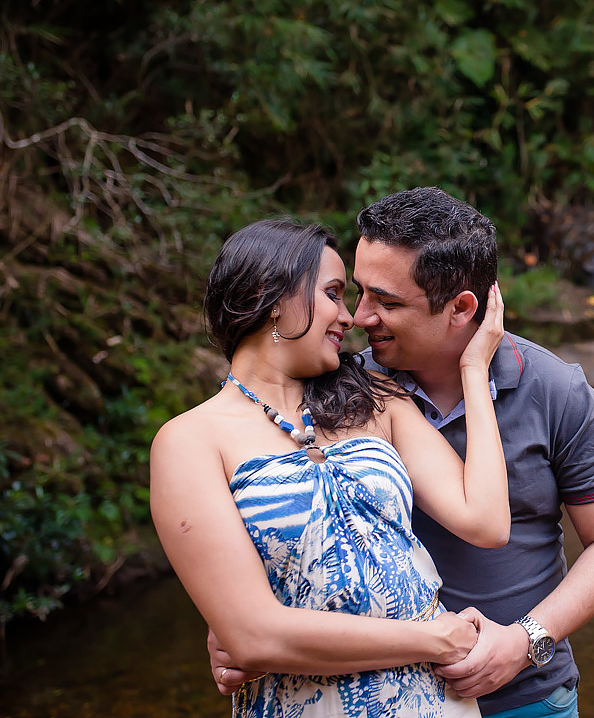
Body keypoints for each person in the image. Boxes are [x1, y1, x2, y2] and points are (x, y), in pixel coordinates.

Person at [213, 188, 594, 718]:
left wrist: (527, 639)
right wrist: (237, 619)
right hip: (383, 696)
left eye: (387, 302)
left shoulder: (555, 389)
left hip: (528, 696)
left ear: (462, 308)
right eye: (358, 291)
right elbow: (274, 507)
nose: (359, 318)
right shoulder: (344, 389)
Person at [151, 217, 510, 717]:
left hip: (435, 701)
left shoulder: (376, 400)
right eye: (334, 294)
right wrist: (430, 640)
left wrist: (474, 368)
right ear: (269, 294)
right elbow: (253, 636)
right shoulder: (189, 441)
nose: (351, 316)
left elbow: (487, 520)